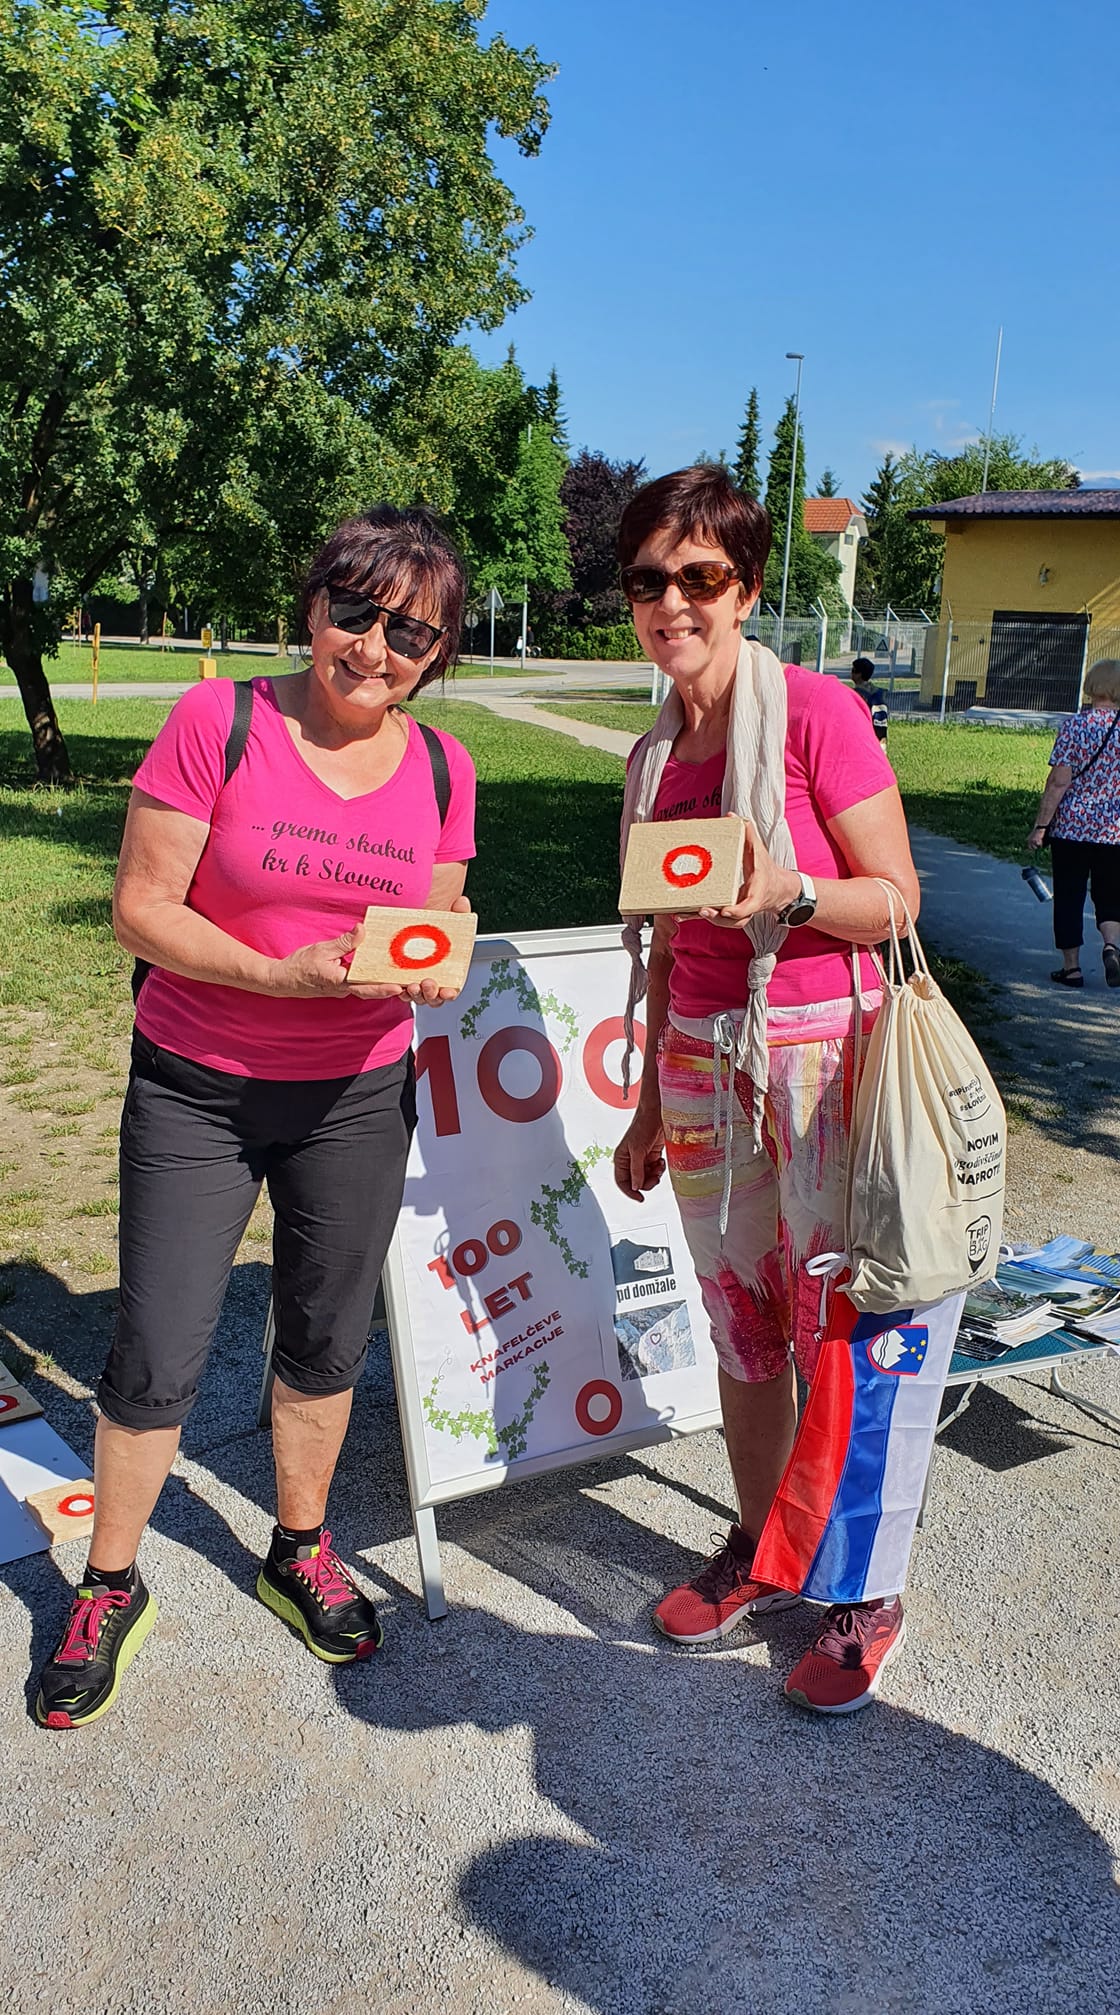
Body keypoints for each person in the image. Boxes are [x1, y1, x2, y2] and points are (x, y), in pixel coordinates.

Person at [35, 506, 476, 1729]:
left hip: (357, 1094)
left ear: (437, 652)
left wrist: (434, 959)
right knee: (156, 1346)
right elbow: (140, 908)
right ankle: (109, 1584)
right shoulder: (217, 720)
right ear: (313, 604)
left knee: (325, 1336)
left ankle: (299, 1547)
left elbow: (435, 920)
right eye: (356, 611)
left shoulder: (446, 769)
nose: (374, 648)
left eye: (410, 632)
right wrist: (280, 975)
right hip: (200, 1085)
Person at [613, 466, 921, 1715]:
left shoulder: (814, 714)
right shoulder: (652, 754)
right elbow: (663, 944)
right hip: (699, 1060)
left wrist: (788, 892)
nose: (671, 603)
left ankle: (860, 1587)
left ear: (743, 589)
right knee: (741, 1322)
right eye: (649, 580)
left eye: (699, 577)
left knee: (841, 1328)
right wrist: (647, 1101)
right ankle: (761, 1543)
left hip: (818, 1054)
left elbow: (895, 899)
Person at [1028, 658, 1120, 989]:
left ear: (1092, 686)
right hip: (1114, 831)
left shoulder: (1075, 727)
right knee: (1110, 895)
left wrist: (1041, 826)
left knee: (1069, 895)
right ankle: (1111, 947)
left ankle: (1072, 969)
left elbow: (1058, 782)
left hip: (1071, 829)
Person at [850, 656, 889, 742]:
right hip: (879, 735)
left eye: (853, 670)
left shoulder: (855, 694)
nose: (851, 673)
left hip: (861, 736)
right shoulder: (879, 693)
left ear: (859, 674)